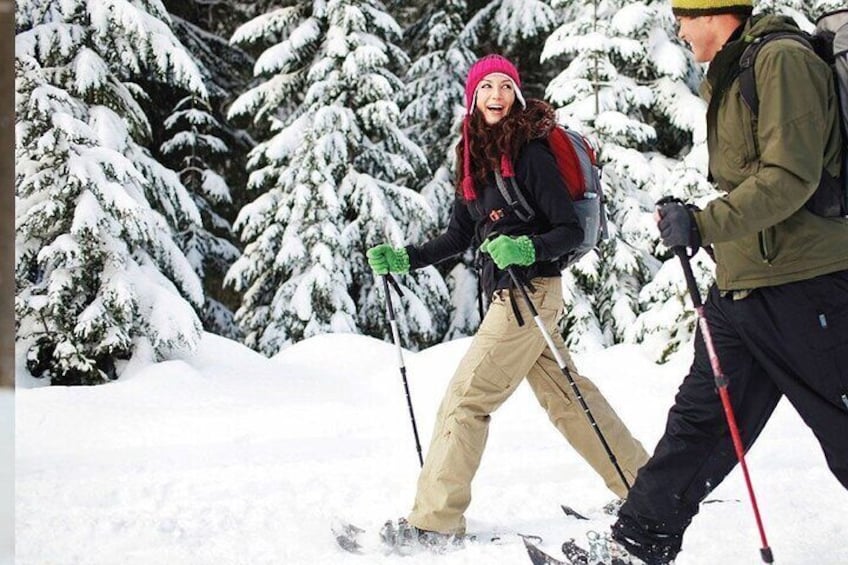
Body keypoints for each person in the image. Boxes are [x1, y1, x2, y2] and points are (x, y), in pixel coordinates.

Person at [594, 1, 848, 563]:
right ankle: (639, 541)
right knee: (700, 422)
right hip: (742, 285)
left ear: (715, 14)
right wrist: (700, 222)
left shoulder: (782, 61)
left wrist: (705, 221)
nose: (680, 31)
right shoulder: (737, 71)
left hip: (807, 286)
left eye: (684, 17)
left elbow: (790, 176)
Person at [366, 54, 649, 547]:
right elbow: (460, 235)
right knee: (569, 398)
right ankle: (645, 488)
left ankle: (435, 522)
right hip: (518, 297)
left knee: (466, 399)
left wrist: (526, 247)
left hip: (529, 293)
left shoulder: (530, 152)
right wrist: (406, 259)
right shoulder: (473, 156)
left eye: (504, 86)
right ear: (472, 99)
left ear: (515, 95)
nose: (495, 95)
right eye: (486, 88)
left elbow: (568, 230)